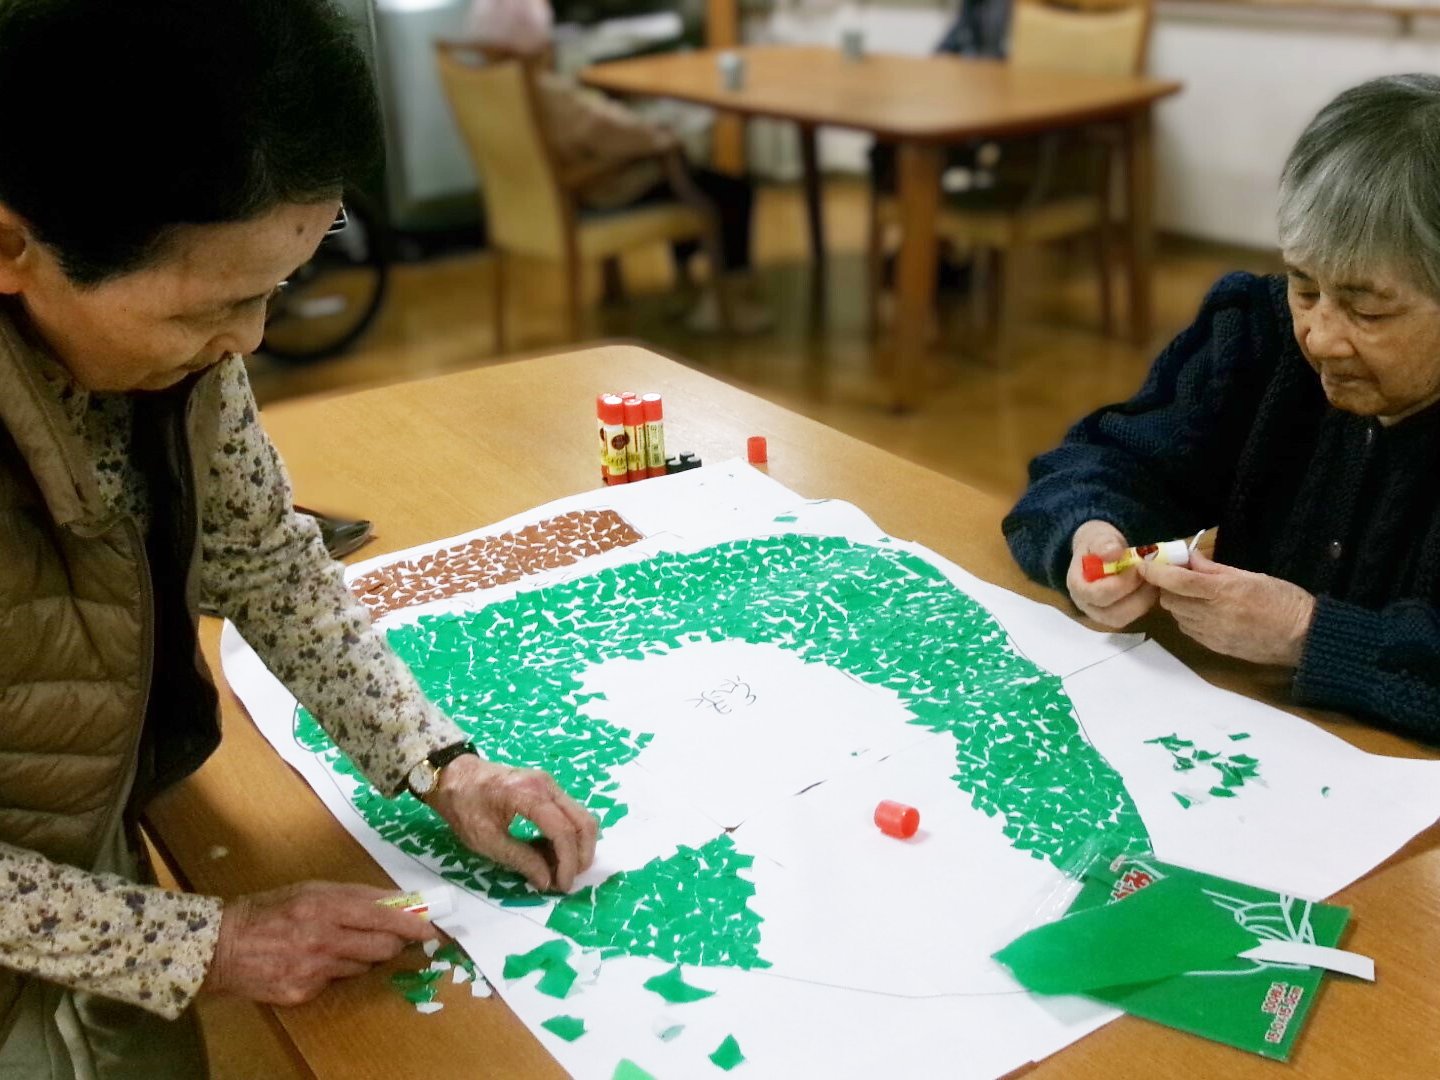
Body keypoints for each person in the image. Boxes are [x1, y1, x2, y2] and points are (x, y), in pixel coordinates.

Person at [0, 2, 596, 1075]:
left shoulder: (178, 349)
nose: (247, 342)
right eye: (205, 311)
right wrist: (207, 943)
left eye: (275, 290)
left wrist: (442, 764)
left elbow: (269, 560)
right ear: (11, 244)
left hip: (76, 828)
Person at [1004, 74, 1440, 739]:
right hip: (1248, 732)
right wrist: (1090, 534)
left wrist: (1306, 634)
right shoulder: (1259, 337)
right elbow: (1103, 464)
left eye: (1368, 310)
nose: (1319, 336)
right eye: (1304, 286)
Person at [463, 0, 770, 333]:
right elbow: (616, 131)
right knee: (726, 190)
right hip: (597, 193)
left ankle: (686, 287)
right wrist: (665, 136)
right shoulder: (547, 93)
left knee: (687, 178)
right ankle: (726, 302)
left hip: (538, 204)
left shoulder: (486, 88)